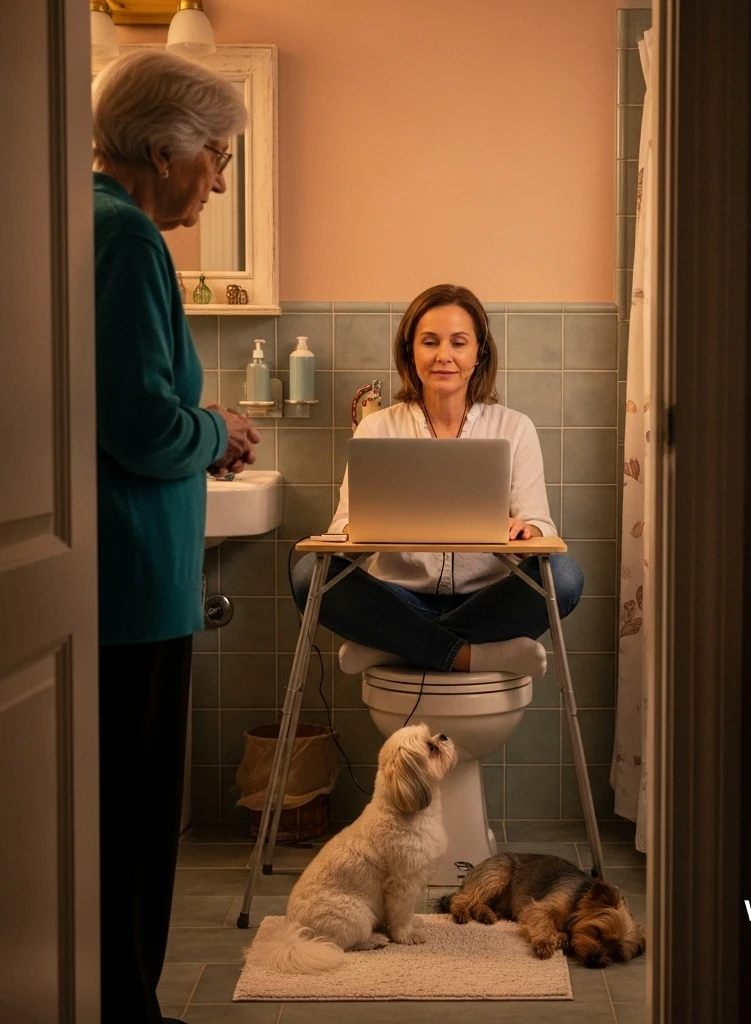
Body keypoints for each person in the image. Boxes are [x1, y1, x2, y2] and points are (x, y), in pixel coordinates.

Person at [92, 50, 261, 1024]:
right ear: (165, 149)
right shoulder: (128, 238)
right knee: (136, 823)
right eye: (217, 154)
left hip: (114, 584)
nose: (220, 178)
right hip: (134, 582)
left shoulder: (82, 220)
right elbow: (143, 424)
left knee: (114, 821)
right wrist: (219, 430)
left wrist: (193, 428)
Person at [291, 283, 584, 677]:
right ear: (410, 352)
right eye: (430, 342)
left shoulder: (514, 428)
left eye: (458, 343)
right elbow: (341, 530)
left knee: (565, 577)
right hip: (400, 598)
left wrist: (526, 530)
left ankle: (397, 646)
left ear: (479, 354)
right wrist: (360, 529)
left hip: (486, 601)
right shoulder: (377, 428)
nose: (444, 356)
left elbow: (542, 528)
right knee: (309, 574)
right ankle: (467, 654)